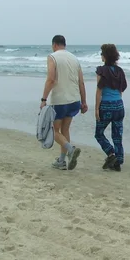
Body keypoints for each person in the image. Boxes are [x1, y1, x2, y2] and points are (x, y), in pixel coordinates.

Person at [40, 35, 88, 170]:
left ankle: (70, 150)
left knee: (53, 130)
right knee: (65, 129)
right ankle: (61, 160)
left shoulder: (52, 57)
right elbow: (81, 82)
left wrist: (44, 99)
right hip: (74, 99)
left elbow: (50, 79)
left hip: (60, 100)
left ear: (54, 45)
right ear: (64, 44)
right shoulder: (74, 59)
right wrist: (84, 102)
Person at [95, 44, 127, 172]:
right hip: (119, 106)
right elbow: (121, 90)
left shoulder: (101, 70)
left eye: (102, 53)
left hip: (106, 106)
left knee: (99, 134)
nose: (101, 55)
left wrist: (97, 109)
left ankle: (111, 154)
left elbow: (99, 91)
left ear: (105, 56)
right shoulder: (119, 71)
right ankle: (118, 161)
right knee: (117, 135)